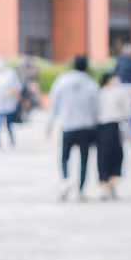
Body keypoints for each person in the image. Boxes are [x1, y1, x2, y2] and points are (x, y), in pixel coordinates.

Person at [47, 55, 100, 201]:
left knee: (64, 157)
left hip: (68, 125)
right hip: (86, 126)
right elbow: (96, 107)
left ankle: (65, 180)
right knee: (84, 159)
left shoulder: (62, 80)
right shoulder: (91, 83)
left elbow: (54, 103)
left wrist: (50, 124)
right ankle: (81, 190)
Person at [96, 72, 131, 199]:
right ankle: (112, 182)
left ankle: (105, 187)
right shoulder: (118, 92)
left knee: (102, 156)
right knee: (115, 155)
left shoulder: (99, 93)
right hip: (114, 126)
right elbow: (127, 111)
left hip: (101, 127)